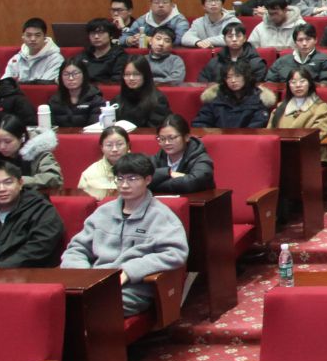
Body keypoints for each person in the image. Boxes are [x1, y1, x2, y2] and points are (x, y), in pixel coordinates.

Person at [59, 154, 188, 314]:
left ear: (147, 180)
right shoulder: (103, 212)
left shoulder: (161, 216)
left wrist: (130, 270)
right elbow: (76, 249)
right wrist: (84, 275)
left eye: (132, 179)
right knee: (61, 303)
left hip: (133, 286)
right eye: (120, 179)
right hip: (95, 281)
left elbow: (175, 253)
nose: (124, 185)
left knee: (96, 307)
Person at [147, 117, 214, 194]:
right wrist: (169, 173)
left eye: (171, 138)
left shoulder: (201, 158)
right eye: (162, 139)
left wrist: (158, 183)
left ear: (186, 137)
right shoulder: (157, 158)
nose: (166, 143)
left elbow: (192, 183)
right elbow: (143, 178)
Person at [194, 61, 271, 129]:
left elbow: (258, 125)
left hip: (247, 139)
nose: (233, 81)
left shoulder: (258, 98)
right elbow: (201, 122)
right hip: (218, 138)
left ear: (246, 77)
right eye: (228, 77)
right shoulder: (216, 98)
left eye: (237, 76)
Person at [77, 126, 131, 201]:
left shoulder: (140, 169)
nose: (114, 149)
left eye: (119, 144)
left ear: (128, 146)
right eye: (109, 145)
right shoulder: (89, 173)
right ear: (102, 148)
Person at [4, 18, 65, 84]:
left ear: (44, 37)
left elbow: (45, 85)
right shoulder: (17, 58)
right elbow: (5, 83)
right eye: (28, 35)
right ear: (23, 37)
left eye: (37, 35)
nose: (33, 39)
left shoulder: (56, 59)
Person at [75, 18, 127, 85]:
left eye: (101, 33)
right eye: (93, 33)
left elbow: (117, 80)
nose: (96, 37)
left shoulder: (120, 55)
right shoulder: (84, 54)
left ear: (111, 35)